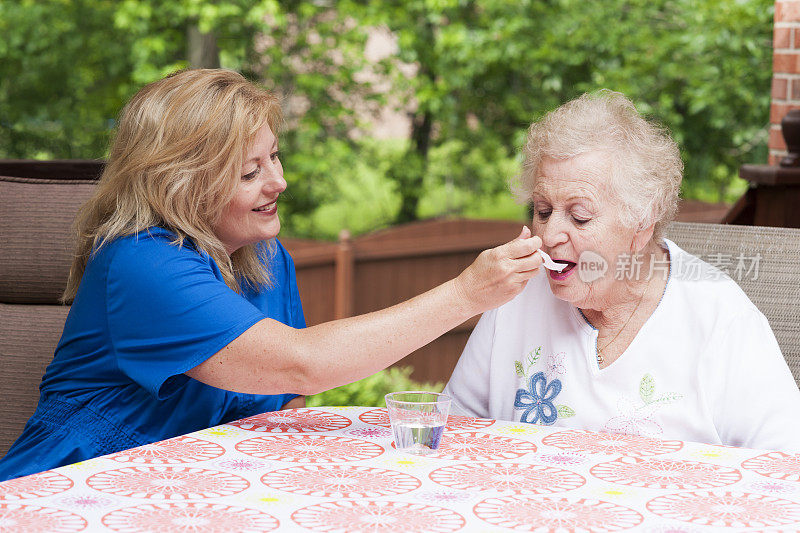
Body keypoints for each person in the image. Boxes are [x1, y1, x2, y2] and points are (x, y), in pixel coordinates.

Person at [0, 69, 544, 480]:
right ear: (181, 184)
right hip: (75, 485)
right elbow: (301, 366)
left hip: (188, 491)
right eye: (250, 172)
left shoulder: (264, 256)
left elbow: (284, 403)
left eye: (275, 158)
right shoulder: (142, 263)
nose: (278, 182)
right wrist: (467, 293)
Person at [443, 90, 800, 452]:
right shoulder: (514, 293)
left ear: (641, 224)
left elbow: (786, 464)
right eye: (543, 210)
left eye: (580, 216)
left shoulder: (719, 318)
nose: (549, 236)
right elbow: (454, 430)